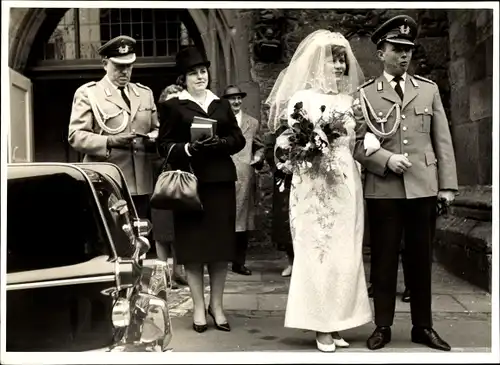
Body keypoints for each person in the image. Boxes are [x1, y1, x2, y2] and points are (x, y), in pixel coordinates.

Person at [353, 15, 458, 351]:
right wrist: (385, 159)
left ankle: (422, 326)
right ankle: (382, 325)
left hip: (423, 187)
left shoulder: (427, 89)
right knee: (383, 260)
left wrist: (448, 186)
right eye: (396, 49)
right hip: (383, 190)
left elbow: (443, 139)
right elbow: (356, 143)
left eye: (408, 50)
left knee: (420, 260)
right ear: (381, 52)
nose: (404, 55)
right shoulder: (367, 94)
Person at [266, 30, 372, 352]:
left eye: (342, 60)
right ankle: (319, 325)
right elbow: (288, 142)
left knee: (345, 253)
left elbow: (354, 142)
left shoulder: (348, 101)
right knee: (318, 251)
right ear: (317, 63)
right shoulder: (302, 100)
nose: (339, 67)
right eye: (333, 60)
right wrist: (310, 146)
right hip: (314, 186)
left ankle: (338, 321)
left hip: (345, 183)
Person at [156, 46, 246, 333]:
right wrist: (187, 148)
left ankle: (216, 306)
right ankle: (198, 306)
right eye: (194, 73)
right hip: (189, 185)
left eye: (203, 72)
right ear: (183, 78)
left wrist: (221, 144)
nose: (200, 77)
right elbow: (163, 145)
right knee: (193, 249)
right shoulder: (174, 106)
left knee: (220, 249)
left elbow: (238, 139)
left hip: (220, 183)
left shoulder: (220, 104)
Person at [68, 35, 158, 223]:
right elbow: (75, 136)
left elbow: (157, 128)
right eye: (119, 67)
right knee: (114, 238)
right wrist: (108, 141)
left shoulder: (144, 93)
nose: (125, 72)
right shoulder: (89, 93)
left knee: (141, 236)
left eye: (129, 66)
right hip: (107, 180)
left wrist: (153, 137)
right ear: (105, 64)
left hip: (141, 183)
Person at [221, 85, 265, 276]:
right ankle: (220, 261)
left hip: (245, 178)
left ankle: (239, 262)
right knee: (222, 218)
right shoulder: (219, 122)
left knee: (243, 222)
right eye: (232, 99)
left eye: (239, 98)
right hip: (223, 176)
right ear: (225, 101)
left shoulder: (252, 123)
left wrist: (258, 157)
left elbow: (260, 146)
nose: (237, 102)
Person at [151, 84, 187, 288]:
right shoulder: (156, 126)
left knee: (181, 227)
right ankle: (162, 272)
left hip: (184, 181)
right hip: (162, 179)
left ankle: (177, 271)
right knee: (162, 227)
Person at [263, 126, 294, 277]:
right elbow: (269, 153)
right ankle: (291, 262)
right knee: (285, 221)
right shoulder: (278, 131)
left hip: (304, 179)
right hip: (284, 180)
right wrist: (282, 164)